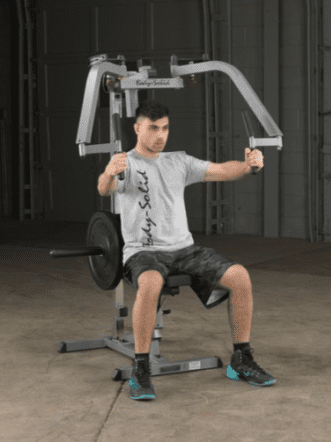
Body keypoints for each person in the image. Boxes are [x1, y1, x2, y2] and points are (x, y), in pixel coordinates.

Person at [97, 99, 276, 401]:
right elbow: (105, 188)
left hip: (185, 249)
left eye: (165, 128)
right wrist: (109, 172)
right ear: (137, 128)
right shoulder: (126, 164)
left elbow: (221, 170)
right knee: (151, 282)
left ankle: (241, 358)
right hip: (144, 252)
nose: (160, 135)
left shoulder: (178, 162)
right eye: (153, 128)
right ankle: (141, 368)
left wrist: (247, 166)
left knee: (240, 277)